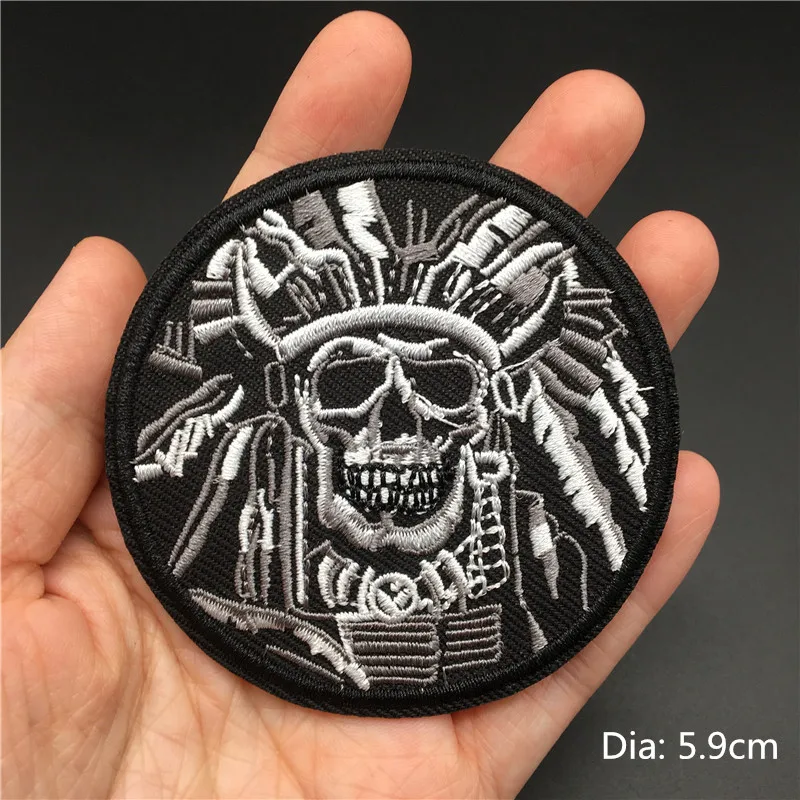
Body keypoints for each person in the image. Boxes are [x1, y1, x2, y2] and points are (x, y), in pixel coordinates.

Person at [1, 11, 720, 798]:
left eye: (444, 384)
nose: (398, 421)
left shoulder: (546, 553)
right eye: (349, 383)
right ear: (293, 402)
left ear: (492, 404)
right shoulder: (233, 534)